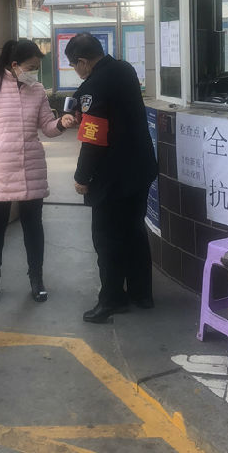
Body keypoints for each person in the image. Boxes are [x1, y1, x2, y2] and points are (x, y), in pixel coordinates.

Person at [0, 39, 77, 306]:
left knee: (33, 228)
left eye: (37, 68)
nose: (34, 73)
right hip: (0, 170)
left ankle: (36, 280)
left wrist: (61, 124)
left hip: (31, 169)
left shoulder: (36, 90)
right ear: (15, 65)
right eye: (31, 67)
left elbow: (46, 126)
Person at [64, 33, 158, 323]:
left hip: (112, 176)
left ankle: (112, 300)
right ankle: (142, 294)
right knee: (134, 231)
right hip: (140, 169)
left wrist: (82, 176)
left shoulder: (95, 86)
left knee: (106, 239)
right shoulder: (123, 69)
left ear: (82, 61)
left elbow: (93, 138)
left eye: (74, 65)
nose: (76, 71)